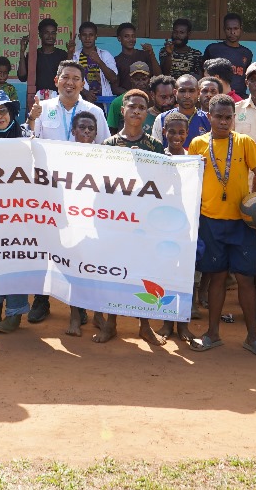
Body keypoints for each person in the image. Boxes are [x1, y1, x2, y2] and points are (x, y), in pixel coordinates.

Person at [186, 95, 256, 356]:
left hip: (242, 223)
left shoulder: (244, 143)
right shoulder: (198, 145)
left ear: (234, 118)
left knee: (246, 278)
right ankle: (212, 334)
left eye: (228, 117)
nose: (223, 121)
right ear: (209, 117)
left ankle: (253, 337)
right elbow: (188, 180)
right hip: (210, 221)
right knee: (217, 278)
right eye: (218, 116)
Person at [24, 59, 110, 323]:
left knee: (79, 248)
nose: (70, 83)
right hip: (48, 193)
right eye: (65, 77)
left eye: (75, 78)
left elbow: (104, 149)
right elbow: (28, 144)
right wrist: (30, 119)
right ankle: (41, 300)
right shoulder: (42, 109)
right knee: (45, 246)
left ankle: (79, 304)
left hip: (81, 193)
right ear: (56, 81)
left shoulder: (94, 111)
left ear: (82, 83)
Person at [97, 89, 173, 345]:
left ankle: (145, 325)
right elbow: (100, 182)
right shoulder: (108, 145)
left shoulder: (154, 146)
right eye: (133, 106)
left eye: (142, 107)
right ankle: (111, 323)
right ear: (123, 110)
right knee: (114, 272)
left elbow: (164, 182)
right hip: (116, 221)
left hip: (145, 221)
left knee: (145, 272)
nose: (137, 110)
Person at [0, 88, 34, 335]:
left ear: (11, 111)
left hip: (19, 212)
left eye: (2, 110)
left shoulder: (26, 135)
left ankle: (14, 314)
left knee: (16, 261)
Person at [17, 18, 73, 97]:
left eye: (53, 33)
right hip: (37, 99)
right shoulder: (33, 55)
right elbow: (22, 77)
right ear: (40, 34)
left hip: (58, 99)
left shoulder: (62, 54)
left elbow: (68, 75)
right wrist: (22, 52)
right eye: (47, 33)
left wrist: (70, 53)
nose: (50, 36)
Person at [150, 74, 210, 147]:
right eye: (182, 91)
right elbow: (155, 151)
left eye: (191, 91)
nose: (187, 95)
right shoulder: (161, 119)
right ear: (175, 93)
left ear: (198, 93)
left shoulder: (208, 119)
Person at [203, 13, 254, 96]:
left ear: (241, 29)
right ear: (224, 29)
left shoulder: (247, 53)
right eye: (228, 29)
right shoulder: (213, 49)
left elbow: (247, 77)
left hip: (239, 97)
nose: (232, 32)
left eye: (236, 28)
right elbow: (203, 72)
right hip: (216, 95)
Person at [75, 22, 118, 100]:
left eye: (91, 35)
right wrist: (85, 92)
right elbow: (72, 81)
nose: (87, 38)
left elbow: (113, 79)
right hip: (82, 102)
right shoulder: (75, 57)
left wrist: (99, 61)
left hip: (103, 101)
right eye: (84, 35)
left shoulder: (105, 55)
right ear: (79, 37)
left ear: (96, 37)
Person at [107, 61, 151, 131]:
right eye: (137, 79)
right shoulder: (118, 102)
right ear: (131, 79)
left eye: (144, 79)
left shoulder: (154, 99)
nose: (140, 82)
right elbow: (112, 130)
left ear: (149, 80)